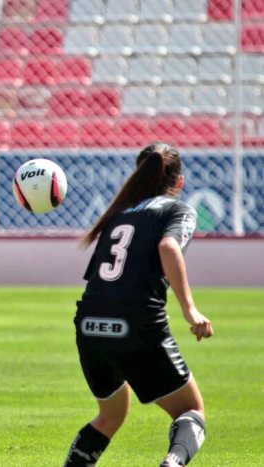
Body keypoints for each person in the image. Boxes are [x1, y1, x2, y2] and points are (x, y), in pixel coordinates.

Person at [63, 143, 214, 467]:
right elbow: (169, 247)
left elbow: (100, 278)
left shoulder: (119, 215)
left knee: (111, 414)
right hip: (135, 323)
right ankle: (172, 463)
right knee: (191, 410)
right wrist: (190, 310)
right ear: (179, 182)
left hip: (89, 324)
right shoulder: (177, 210)